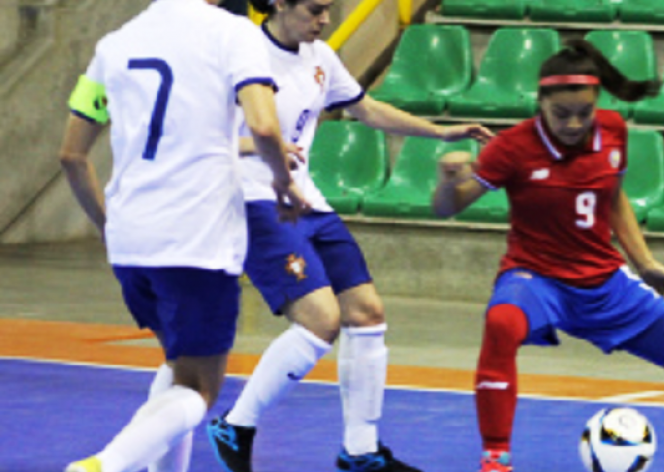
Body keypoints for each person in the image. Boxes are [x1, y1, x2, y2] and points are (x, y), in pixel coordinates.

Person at [431, 40, 664, 472]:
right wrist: (446, 180)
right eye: (561, 114)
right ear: (541, 105)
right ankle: (496, 459)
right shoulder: (512, 147)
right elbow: (447, 207)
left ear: (597, 105)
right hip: (537, 279)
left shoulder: (613, 131)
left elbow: (612, 198)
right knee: (501, 324)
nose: (573, 123)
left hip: (604, 281)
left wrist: (644, 262)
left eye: (583, 113)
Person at [204, 1, 494, 472]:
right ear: (279, 4)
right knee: (321, 319)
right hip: (254, 198)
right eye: (316, 9)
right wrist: (262, 145)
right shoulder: (240, 53)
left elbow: (368, 109)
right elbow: (196, 134)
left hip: (308, 200)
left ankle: (360, 451)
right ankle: (236, 424)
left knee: (366, 312)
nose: (325, 20)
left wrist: (441, 132)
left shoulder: (319, 56)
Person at [59, 0, 306, 471]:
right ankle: (104, 466)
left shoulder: (114, 44)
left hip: (131, 240)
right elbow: (263, 124)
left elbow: (71, 155)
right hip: (197, 239)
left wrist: (111, 228)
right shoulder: (234, 34)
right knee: (199, 388)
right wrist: (283, 184)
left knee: (179, 366)